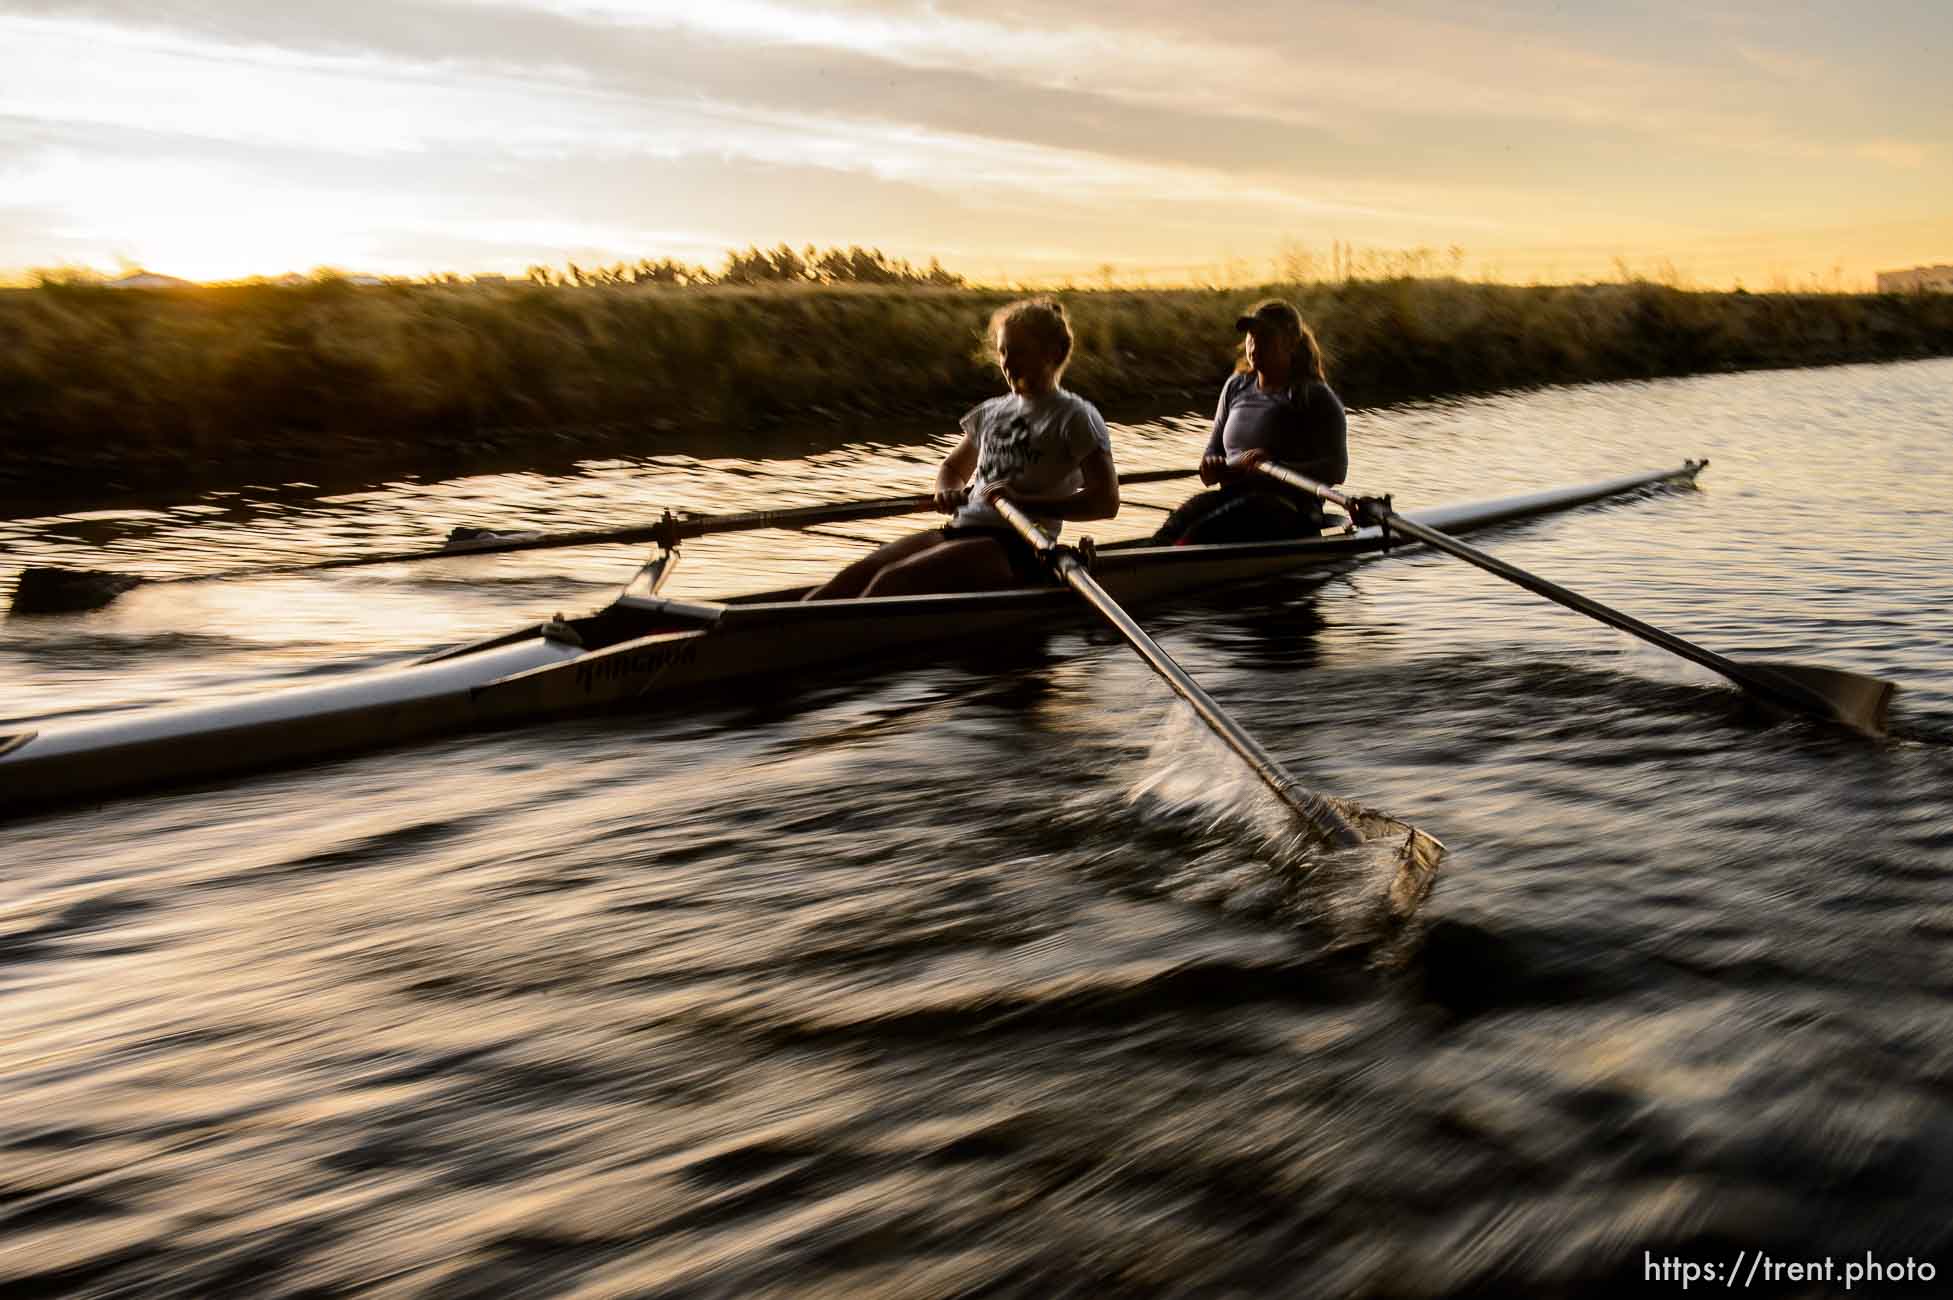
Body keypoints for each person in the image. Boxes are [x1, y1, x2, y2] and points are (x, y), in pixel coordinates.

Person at [803, 297, 1118, 600]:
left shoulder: (1075, 416)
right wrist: (948, 490)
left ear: (1055, 352)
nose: (1008, 363)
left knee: (891, 581)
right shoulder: (991, 411)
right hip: (961, 528)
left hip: (1019, 546)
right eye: (1003, 352)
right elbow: (952, 469)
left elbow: (1106, 502)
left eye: (1020, 352)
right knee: (850, 579)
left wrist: (1026, 503)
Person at [1151, 298, 1348, 545]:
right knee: (1178, 522)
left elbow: (1337, 469)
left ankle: (1174, 560)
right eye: (1251, 337)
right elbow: (1213, 450)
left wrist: (1274, 466)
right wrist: (1211, 464)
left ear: (1290, 343)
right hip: (1234, 498)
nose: (1254, 345)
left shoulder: (1314, 396)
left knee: (1201, 533)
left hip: (1289, 509)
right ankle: (1143, 558)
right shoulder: (1236, 386)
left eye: (1265, 337)